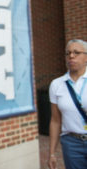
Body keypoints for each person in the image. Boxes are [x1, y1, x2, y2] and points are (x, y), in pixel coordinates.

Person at [48, 39, 87, 169]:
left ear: (86, 57)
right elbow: (55, 120)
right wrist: (52, 153)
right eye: (68, 53)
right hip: (72, 144)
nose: (71, 56)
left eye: (77, 52)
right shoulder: (56, 84)